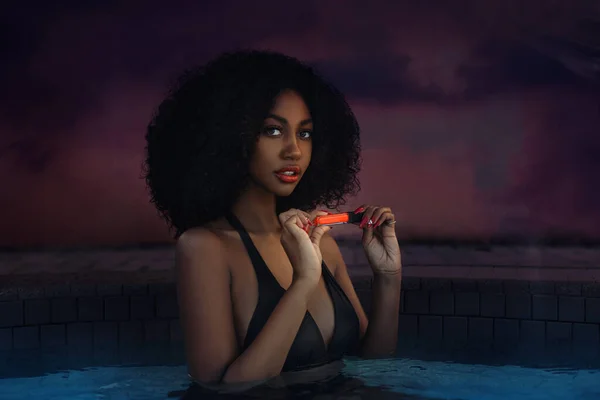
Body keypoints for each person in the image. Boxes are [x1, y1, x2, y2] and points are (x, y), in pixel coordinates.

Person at [143, 50, 402, 388]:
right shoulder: (205, 248)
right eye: (273, 131)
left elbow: (374, 362)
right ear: (228, 136)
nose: (294, 150)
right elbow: (221, 388)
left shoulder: (320, 243)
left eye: (305, 133)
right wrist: (304, 281)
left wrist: (388, 277)